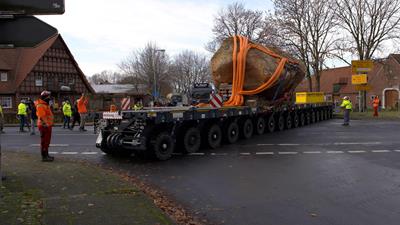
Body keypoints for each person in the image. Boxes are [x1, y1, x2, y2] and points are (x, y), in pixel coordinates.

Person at [35, 91, 54, 162]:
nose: (49, 98)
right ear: (45, 97)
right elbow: (41, 116)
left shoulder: (45, 104)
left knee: (47, 141)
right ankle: (44, 156)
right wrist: (45, 124)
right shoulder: (40, 105)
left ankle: (46, 155)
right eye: (48, 96)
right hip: (44, 126)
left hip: (47, 125)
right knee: (44, 141)